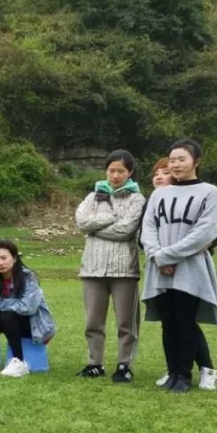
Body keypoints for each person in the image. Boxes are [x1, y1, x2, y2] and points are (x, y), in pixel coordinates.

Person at [141, 139, 217, 394]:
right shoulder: (159, 193)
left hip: (189, 269)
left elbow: (204, 233)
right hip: (160, 267)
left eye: (182, 159)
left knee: (185, 322)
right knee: (168, 323)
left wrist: (168, 256)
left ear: (196, 162)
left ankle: (185, 376)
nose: (176, 164)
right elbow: (149, 228)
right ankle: (173, 372)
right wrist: (157, 256)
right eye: (172, 160)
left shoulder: (209, 192)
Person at [74, 150, 147, 383]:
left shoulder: (137, 199)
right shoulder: (93, 196)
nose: (115, 175)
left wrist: (95, 228)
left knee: (127, 322)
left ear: (130, 172)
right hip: (92, 268)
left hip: (124, 268)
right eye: (111, 170)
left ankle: (125, 364)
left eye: (121, 171)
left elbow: (126, 230)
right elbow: (82, 222)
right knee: (93, 321)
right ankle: (95, 363)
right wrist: (110, 218)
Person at [0, 240, 56, 378]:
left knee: (4, 314)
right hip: (8, 322)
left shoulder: (28, 277)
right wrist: (2, 308)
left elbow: (29, 308)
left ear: (14, 258)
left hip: (34, 326)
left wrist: (3, 305)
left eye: (4, 258)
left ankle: (19, 361)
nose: (0, 263)